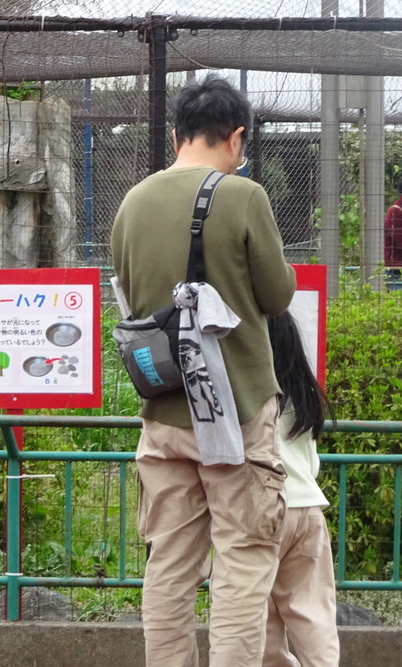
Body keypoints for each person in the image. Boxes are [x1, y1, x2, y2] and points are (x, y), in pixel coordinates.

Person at [111, 75, 296, 667]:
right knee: (242, 559)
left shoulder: (132, 203)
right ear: (236, 137)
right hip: (235, 411)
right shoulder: (244, 197)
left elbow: (131, 294)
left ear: (177, 136)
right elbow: (277, 295)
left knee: (168, 564)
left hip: (164, 412)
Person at [262, 312, 339, 667]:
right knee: (313, 614)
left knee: (257, 616)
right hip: (308, 511)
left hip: (262, 510)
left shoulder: (250, 399)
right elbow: (312, 465)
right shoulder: (301, 397)